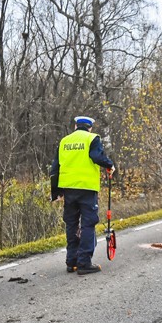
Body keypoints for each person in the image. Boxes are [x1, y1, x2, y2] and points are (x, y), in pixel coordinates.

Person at [51, 116, 115, 275]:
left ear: (75, 126)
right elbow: (96, 157)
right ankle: (84, 263)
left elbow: (54, 168)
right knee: (88, 224)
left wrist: (56, 192)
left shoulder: (64, 141)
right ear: (90, 128)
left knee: (71, 223)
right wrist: (109, 165)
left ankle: (71, 261)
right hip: (86, 189)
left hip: (68, 190)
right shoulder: (92, 139)